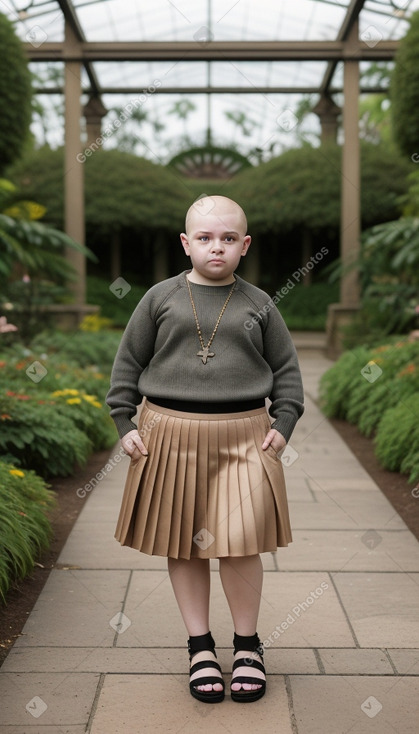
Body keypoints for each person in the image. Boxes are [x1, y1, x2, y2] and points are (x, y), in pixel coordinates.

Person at [106, 195, 304, 704]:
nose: (217, 247)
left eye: (228, 238)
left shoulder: (260, 303)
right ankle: (199, 647)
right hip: (168, 432)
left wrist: (284, 421)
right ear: (186, 242)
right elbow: (128, 362)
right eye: (205, 237)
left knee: (240, 544)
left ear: (245, 244)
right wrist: (123, 420)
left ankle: (247, 646)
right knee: (184, 541)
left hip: (245, 434)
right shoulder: (158, 298)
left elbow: (286, 371)